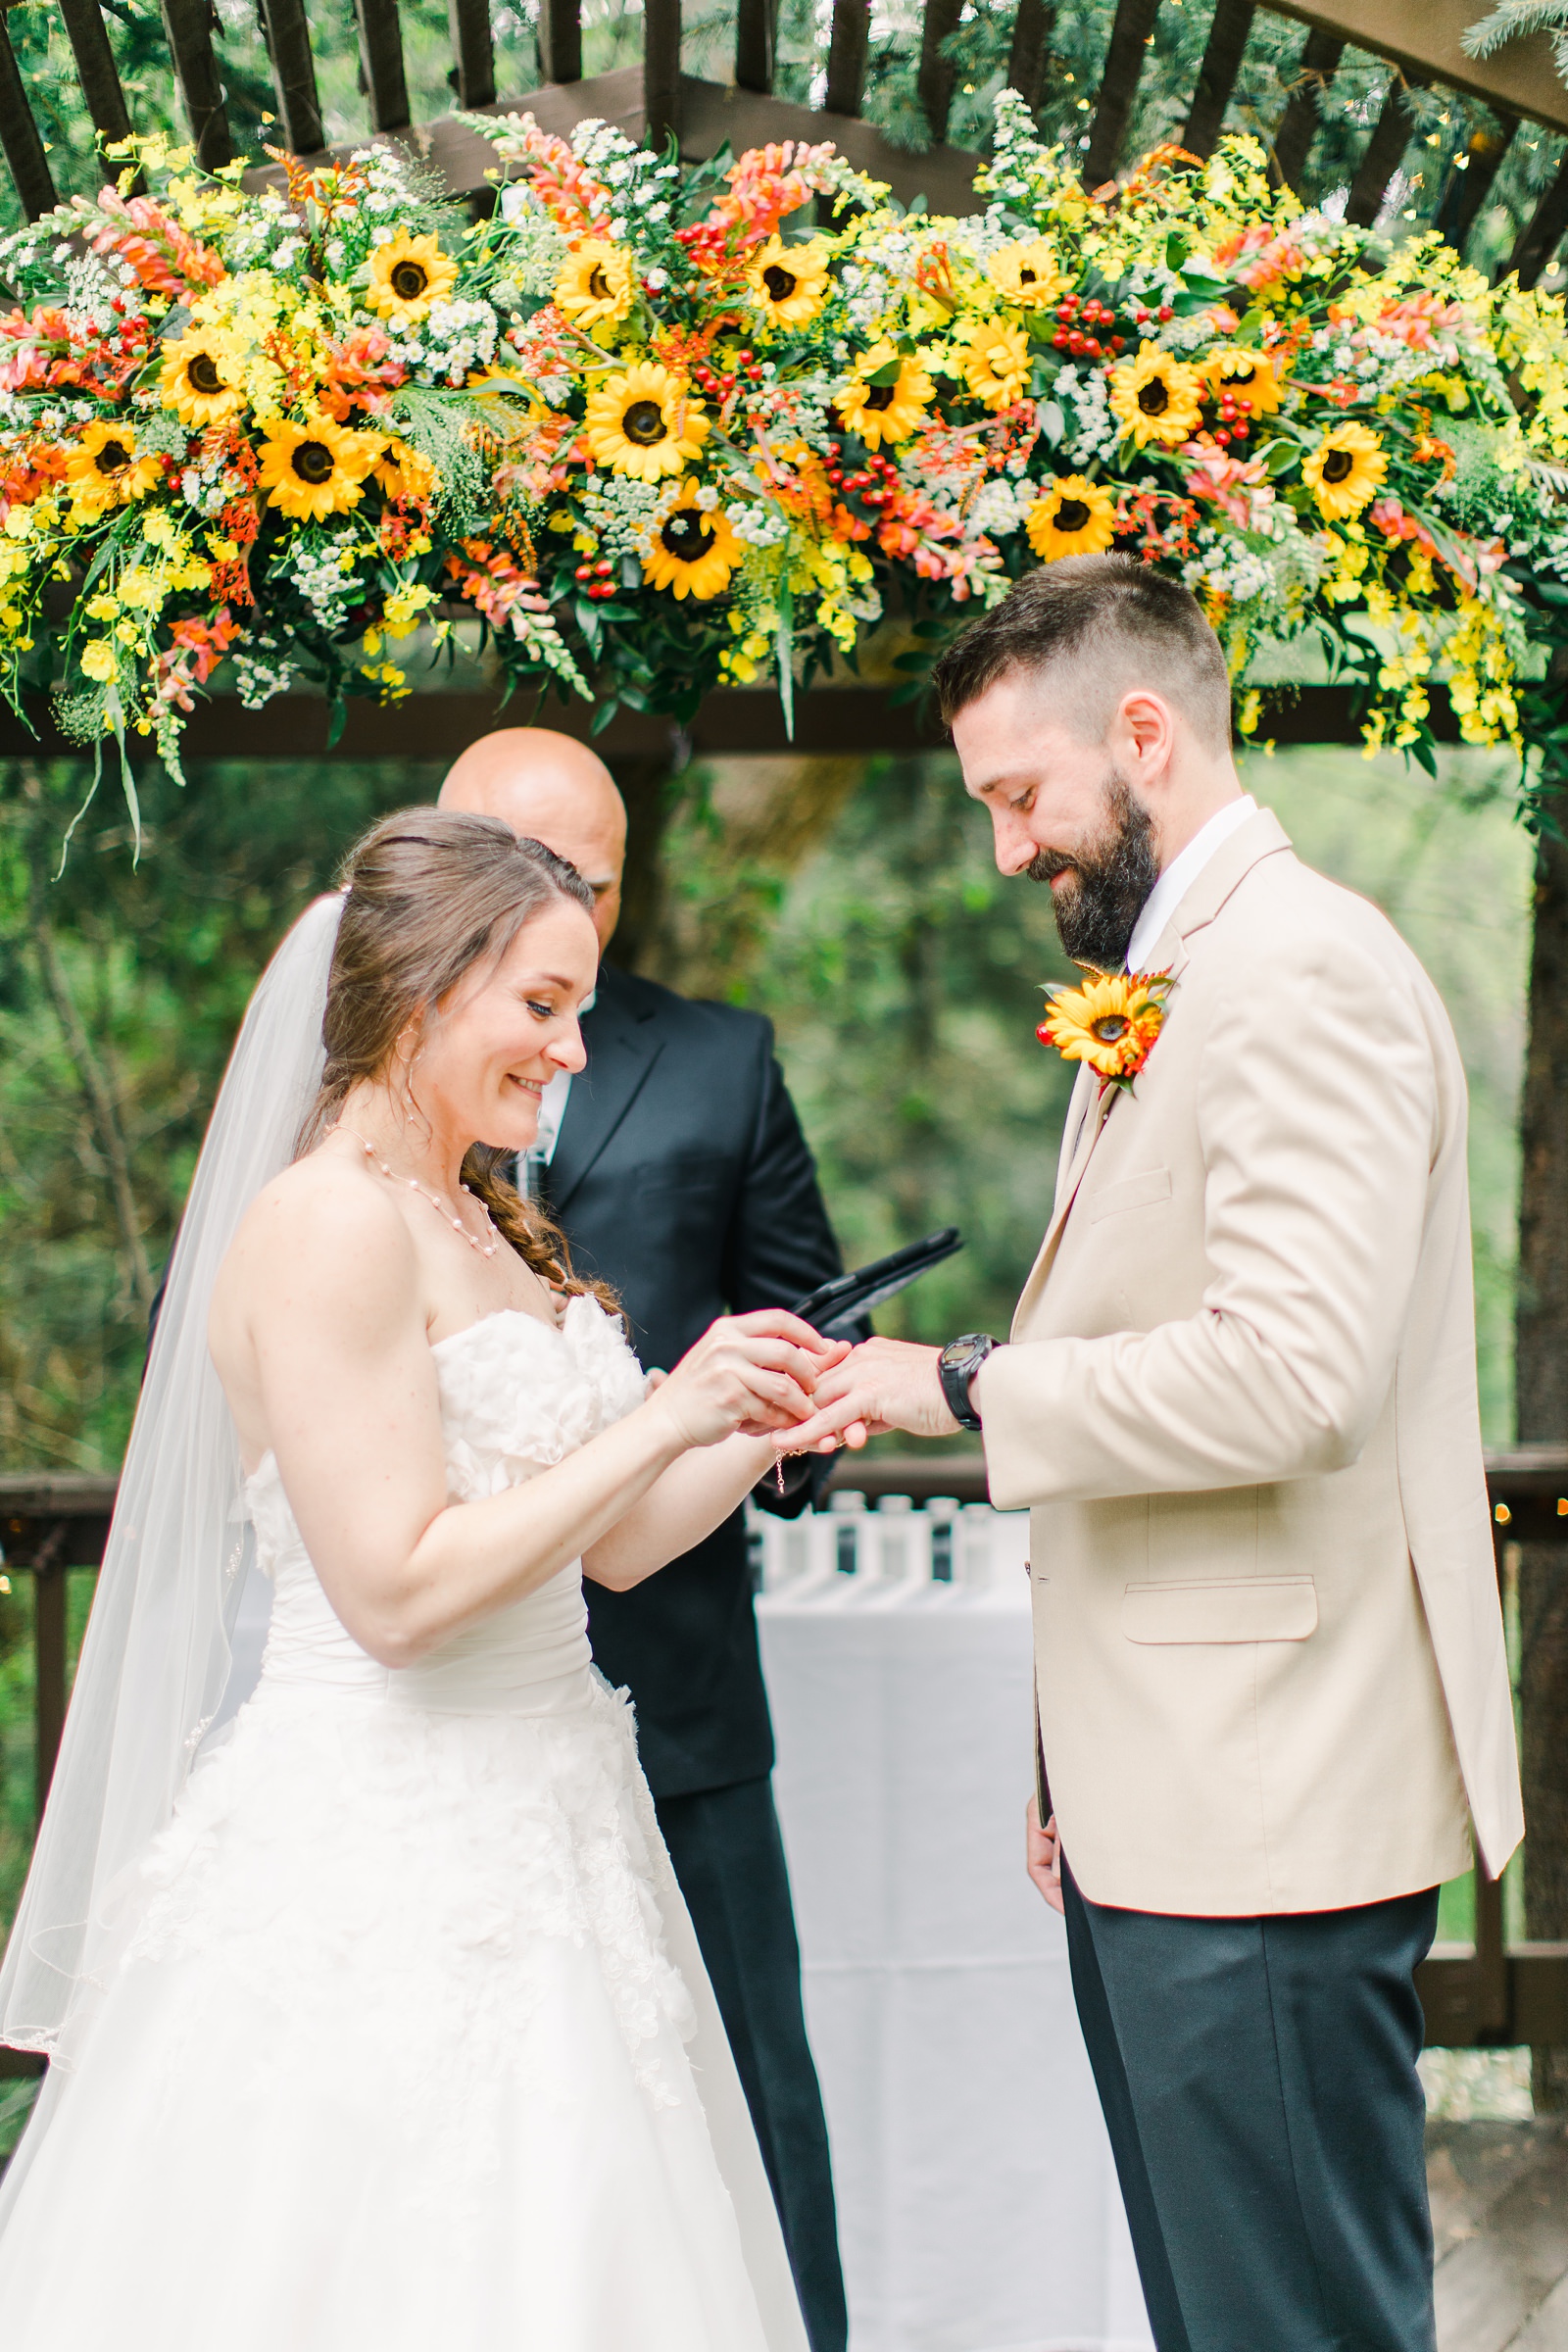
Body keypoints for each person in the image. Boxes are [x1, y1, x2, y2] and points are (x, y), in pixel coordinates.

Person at [782, 557, 1526, 2352]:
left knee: (1293, 2324)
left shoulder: (1296, 970)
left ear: (1142, 735)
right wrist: (1073, 1757)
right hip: (1176, 1792)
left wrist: (955, 1386)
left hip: (1266, 1805)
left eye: (1017, 797)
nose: (1006, 849)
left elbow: (1293, 1379)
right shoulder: (1182, 964)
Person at [0, 811, 849, 2349]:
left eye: (581, 1005)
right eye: (541, 1005)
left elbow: (607, 1543)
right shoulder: (326, 1227)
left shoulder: (480, 1214)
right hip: (383, 1846)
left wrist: (760, 1417)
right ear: (418, 991)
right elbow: (393, 1596)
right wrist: (661, 1410)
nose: (576, 1049)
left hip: (557, 1823)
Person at [437, 729, 852, 2352]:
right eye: (531, 878)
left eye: (592, 886)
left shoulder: (723, 1059)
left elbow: (796, 1300)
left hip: (678, 1696)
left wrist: (790, 1421)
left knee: (751, 2105)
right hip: (449, 1711)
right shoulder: (346, 1148)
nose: (569, 925)